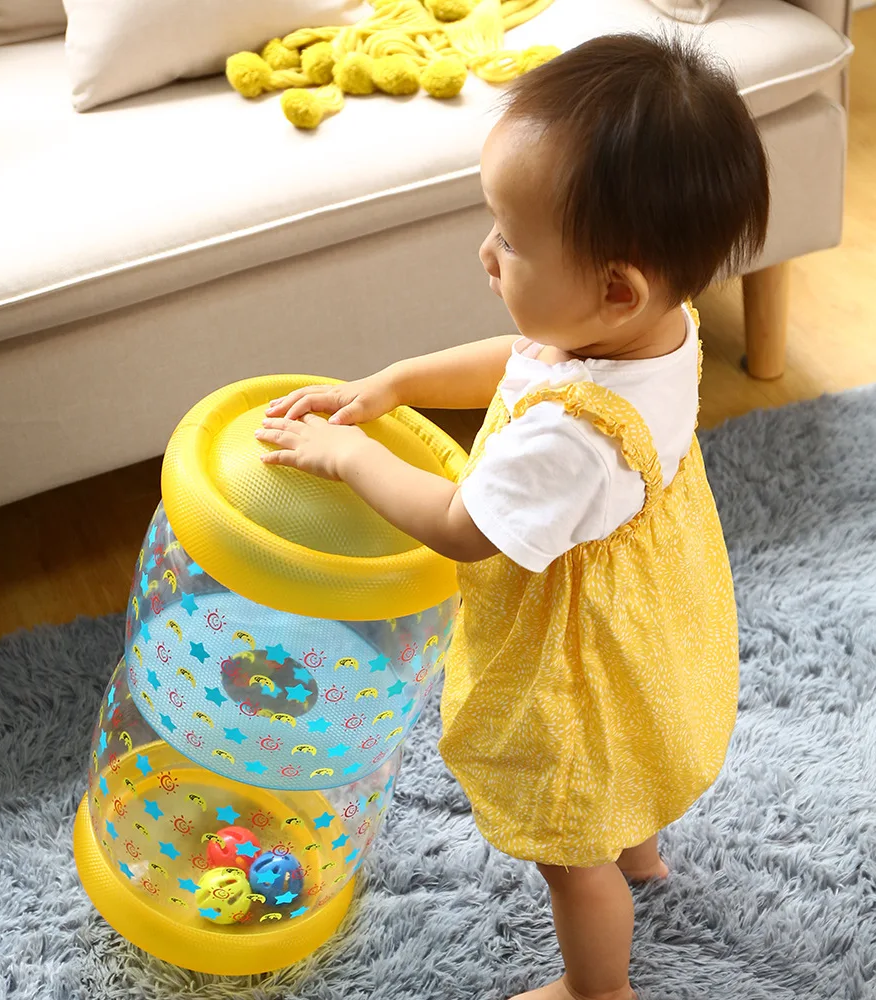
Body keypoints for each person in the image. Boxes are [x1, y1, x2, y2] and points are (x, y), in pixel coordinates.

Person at [256, 32, 768, 1000]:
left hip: (573, 651)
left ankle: (595, 986)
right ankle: (642, 850)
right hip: (642, 620)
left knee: (569, 846)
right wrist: (397, 381)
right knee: (632, 746)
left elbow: (461, 523)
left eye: (511, 241)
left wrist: (351, 456)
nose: (485, 253)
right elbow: (522, 359)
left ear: (614, 289)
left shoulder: (573, 441)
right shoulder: (652, 331)